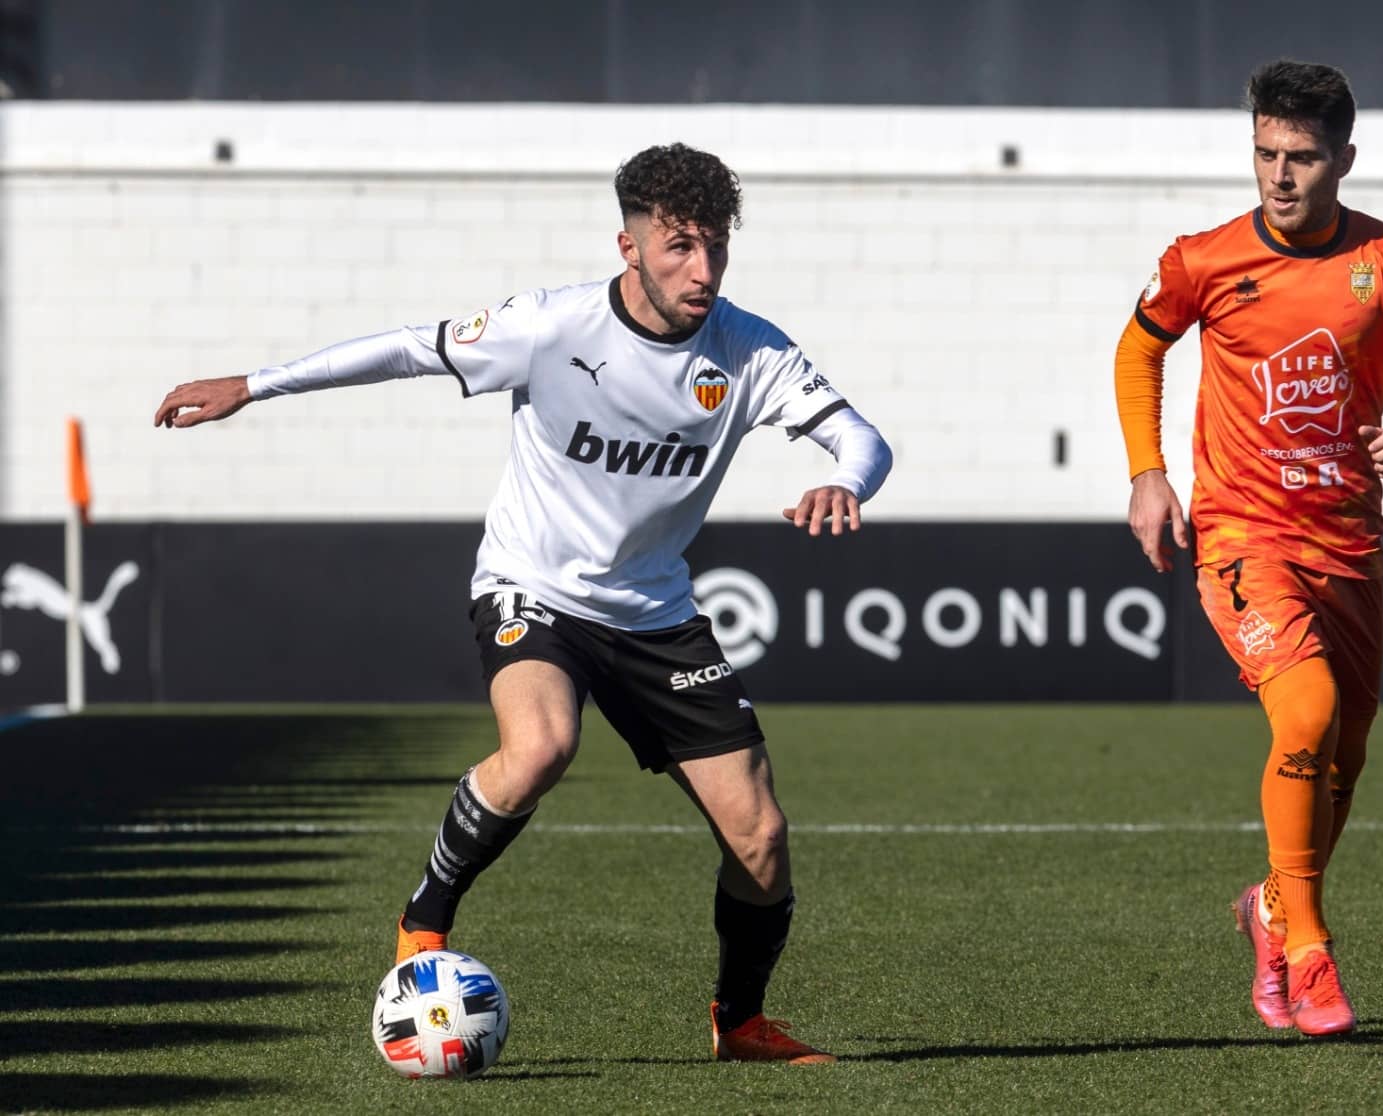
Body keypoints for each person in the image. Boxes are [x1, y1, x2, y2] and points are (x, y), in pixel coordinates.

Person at [154, 142, 892, 1065]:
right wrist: (254, 385)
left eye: (716, 247)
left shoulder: (750, 349)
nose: (702, 270)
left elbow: (862, 437)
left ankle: (739, 1023)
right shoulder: (550, 325)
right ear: (629, 247)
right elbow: (407, 349)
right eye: (679, 247)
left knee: (762, 835)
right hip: (532, 586)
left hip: (654, 611)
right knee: (541, 746)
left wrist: (847, 481)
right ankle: (425, 921)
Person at [1113, 60, 1383, 1037]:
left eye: (1302, 157)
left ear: (1342, 159)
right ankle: (1309, 953)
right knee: (1305, 712)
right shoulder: (1202, 260)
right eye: (1266, 153)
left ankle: (1270, 908)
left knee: (1343, 760)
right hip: (1242, 534)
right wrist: (1147, 471)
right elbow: (1140, 347)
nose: (1279, 174)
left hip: (1348, 544)